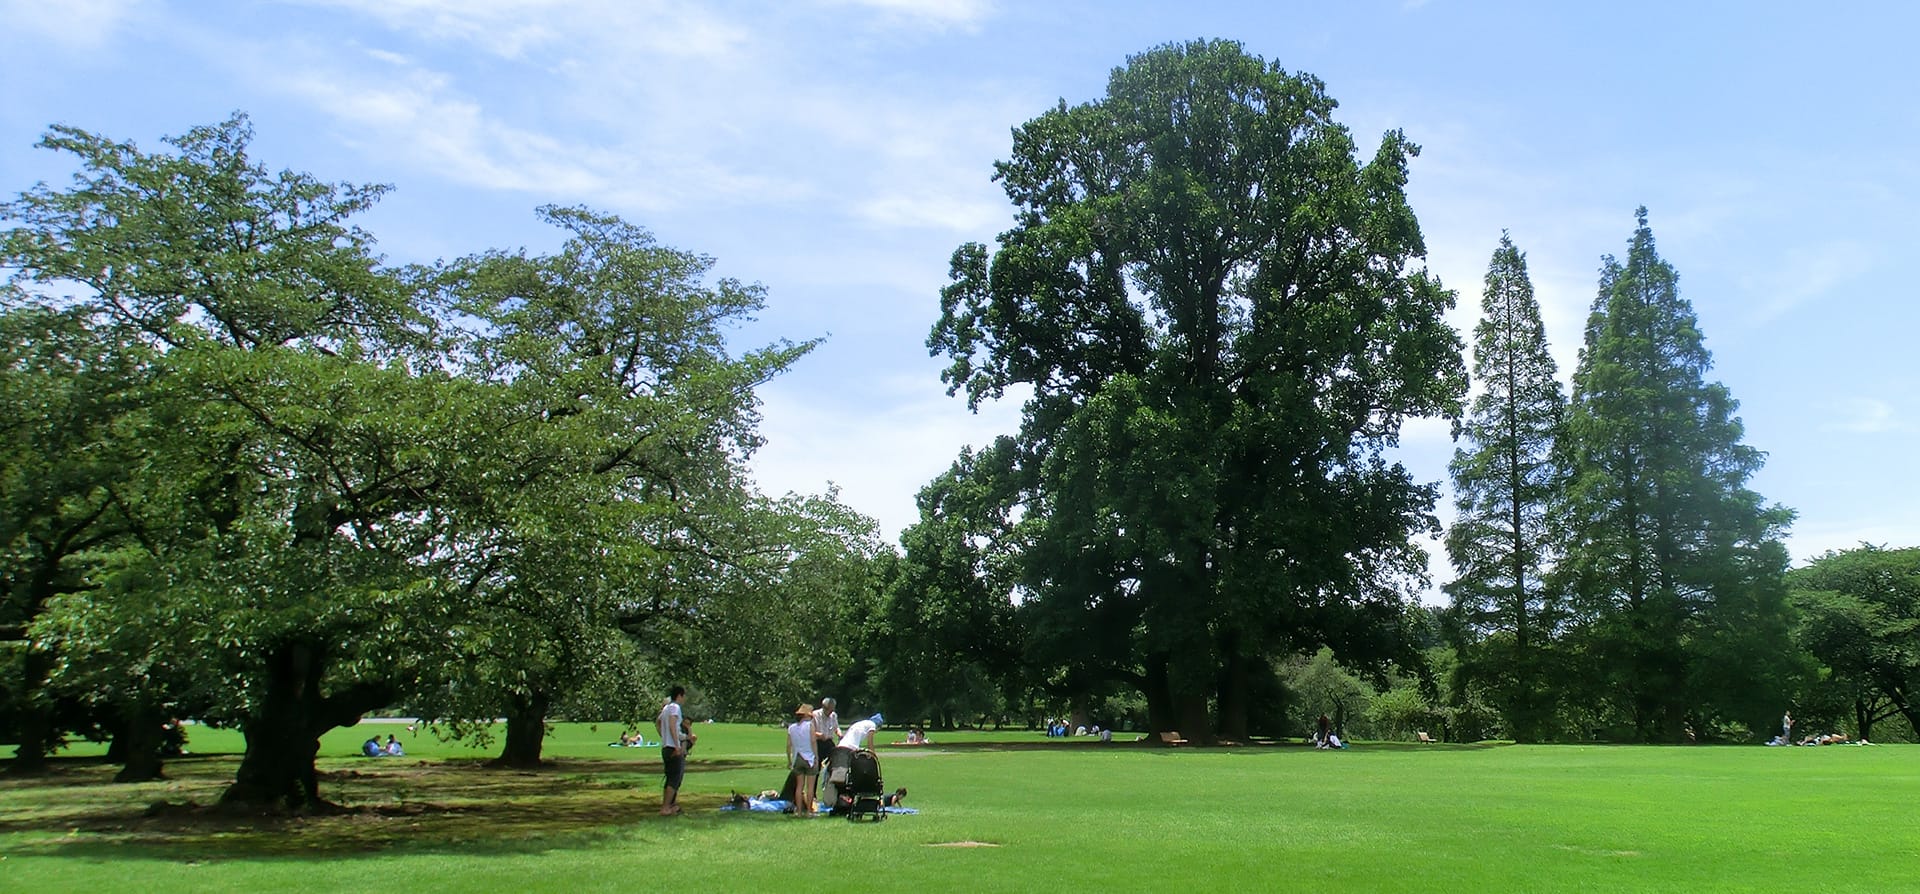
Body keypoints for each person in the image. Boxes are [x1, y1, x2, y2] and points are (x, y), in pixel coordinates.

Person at [657, 685, 688, 816]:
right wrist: (677, 745)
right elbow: (672, 725)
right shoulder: (675, 708)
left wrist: (663, 737)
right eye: (684, 696)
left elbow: (658, 723)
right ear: (679, 695)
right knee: (675, 778)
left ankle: (670, 805)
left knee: (670, 777)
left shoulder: (666, 708)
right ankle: (665, 807)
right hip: (672, 747)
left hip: (666, 747)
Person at [786, 704, 819, 816]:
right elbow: (813, 742)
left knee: (799, 787)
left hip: (797, 757)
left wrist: (790, 760)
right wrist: (816, 756)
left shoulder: (791, 728)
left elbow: (788, 746)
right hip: (809, 757)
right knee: (810, 787)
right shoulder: (810, 726)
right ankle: (809, 811)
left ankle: (799, 811)